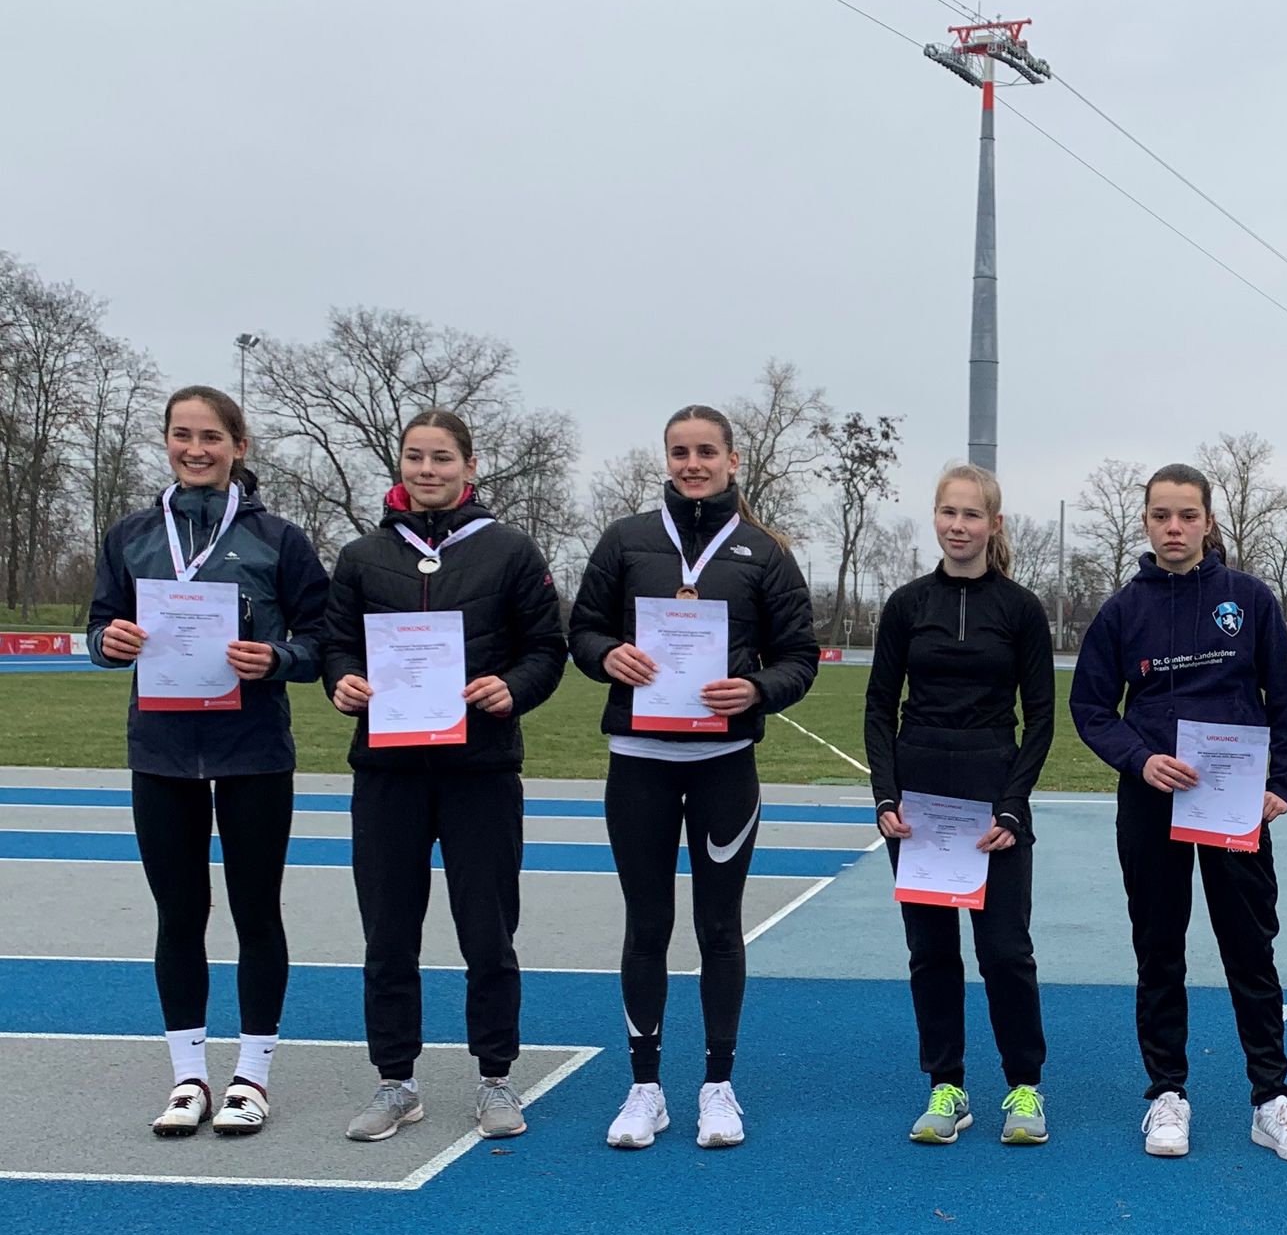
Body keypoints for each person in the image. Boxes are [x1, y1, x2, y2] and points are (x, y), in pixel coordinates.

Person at [569, 404, 817, 1150]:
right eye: (680, 452)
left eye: (707, 451)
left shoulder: (765, 552)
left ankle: (717, 1086)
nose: (693, 464)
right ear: (667, 459)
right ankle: (645, 1088)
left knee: (719, 927)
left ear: (732, 460)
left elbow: (799, 656)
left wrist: (757, 690)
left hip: (723, 767)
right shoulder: (626, 539)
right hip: (639, 764)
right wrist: (606, 655)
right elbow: (582, 630)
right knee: (646, 927)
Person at [86, 386, 328, 1138]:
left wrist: (277, 657)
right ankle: (187, 1076)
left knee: (257, 913)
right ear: (166, 441)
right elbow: (100, 626)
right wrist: (108, 644)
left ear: (238, 446)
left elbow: (322, 640)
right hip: (161, 752)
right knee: (179, 915)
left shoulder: (278, 539)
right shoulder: (131, 535)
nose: (196, 449)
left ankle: (251, 1076)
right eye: (182, 435)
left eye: (211, 437)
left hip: (253, 751)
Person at [323, 409, 566, 1143]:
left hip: (480, 770)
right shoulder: (363, 555)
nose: (427, 470)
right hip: (388, 773)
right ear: (400, 464)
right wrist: (343, 682)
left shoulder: (510, 550)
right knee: (388, 934)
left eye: (441, 458)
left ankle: (496, 1076)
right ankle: (396, 1080)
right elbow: (337, 646)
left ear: (469, 466)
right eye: (415, 457)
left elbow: (546, 649)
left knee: (488, 933)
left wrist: (512, 689)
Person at [1070, 462, 1287, 1163]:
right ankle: (1166, 1094)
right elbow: (1090, 707)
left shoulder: (1250, 600)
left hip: (1234, 805)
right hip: (1151, 802)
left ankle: (1271, 1098)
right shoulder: (1122, 611)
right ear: (1146, 523)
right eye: (1161, 516)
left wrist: (1284, 784)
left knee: (1250, 948)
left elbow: (1285, 701)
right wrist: (1138, 758)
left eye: (1187, 515)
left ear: (1209, 522)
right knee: (1159, 948)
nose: (1174, 528)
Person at [866, 465, 1055, 1146]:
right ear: (936, 517)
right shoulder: (907, 605)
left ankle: (1024, 1086)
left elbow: (1041, 718)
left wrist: (1012, 805)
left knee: (1005, 951)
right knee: (930, 951)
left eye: (972, 514)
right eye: (949, 512)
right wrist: (885, 795)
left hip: (992, 795)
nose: (958, 525)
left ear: (994, 524)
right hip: (919, 802)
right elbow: (878, 707)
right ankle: (946, 1086)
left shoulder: (1021, 609)